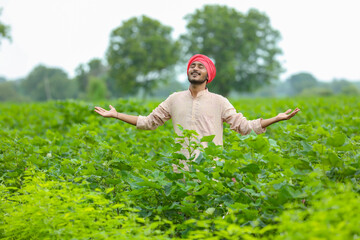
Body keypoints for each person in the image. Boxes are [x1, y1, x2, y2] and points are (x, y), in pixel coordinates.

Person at [94, 54, 300, 158]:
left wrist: (276, 118)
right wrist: (116, 115)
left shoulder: (220, 101)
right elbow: (148, 122)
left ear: (208, 75)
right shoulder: (174, 99)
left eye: (200, 66)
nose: (195, 68)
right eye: (192, 65)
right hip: (180, 171)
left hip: (211, 169)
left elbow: (244, 126)